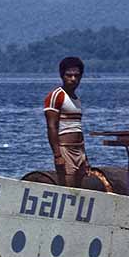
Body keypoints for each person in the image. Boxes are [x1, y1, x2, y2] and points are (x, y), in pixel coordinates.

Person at [43, 56, 88, 187]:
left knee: (79, 189)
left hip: (79, 149)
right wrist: (57, 155)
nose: (73, 79)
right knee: (68, 189)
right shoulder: (56, 96)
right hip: (65, 149)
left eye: (76, 75)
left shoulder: (76, 99)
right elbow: (52, 127)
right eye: (69, 75)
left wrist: (85, 157)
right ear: (62, 76)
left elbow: (78, 128)